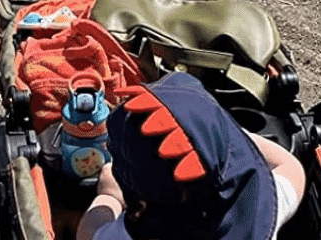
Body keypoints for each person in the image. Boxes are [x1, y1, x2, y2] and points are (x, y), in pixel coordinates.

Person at [76, 72, 306, 240]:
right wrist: (231, 135)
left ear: (142, 205)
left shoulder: (121, 236)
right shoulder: (258, 214)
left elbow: (87, 232)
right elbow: (291, 167)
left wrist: (110, 198)